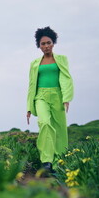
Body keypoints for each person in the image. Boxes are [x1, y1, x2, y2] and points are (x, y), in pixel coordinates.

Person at [26, 26, 74, 174]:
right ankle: (46, 161)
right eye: (43, 44)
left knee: (59, 128)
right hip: (40, 96)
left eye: (49, 43)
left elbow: (66, 78)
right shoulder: (34, 63)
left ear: (53, 43)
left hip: (57, 95)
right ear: (39, 46)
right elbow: (31, 85)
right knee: (45, 123)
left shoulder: (62, 59)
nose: (46, 46)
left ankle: (59, 161)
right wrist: (29, 107)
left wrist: (66, 98)